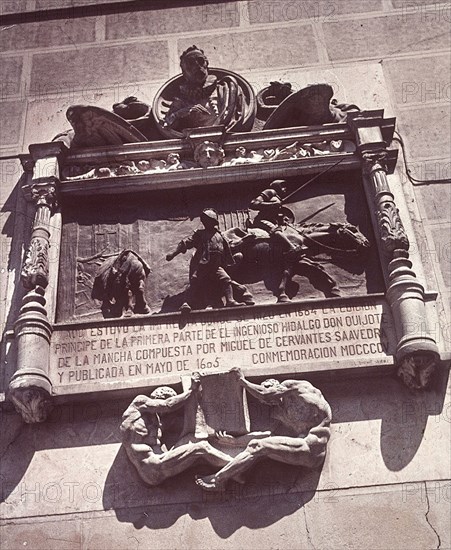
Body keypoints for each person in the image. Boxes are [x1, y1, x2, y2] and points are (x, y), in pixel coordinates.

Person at [195, 369, 332, 491]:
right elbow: (269, 435)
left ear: (278, 386)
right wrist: (235, 442)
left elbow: (265, 394)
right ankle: (236, 471)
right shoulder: (281, 412)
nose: (269, 403)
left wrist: (241, 380)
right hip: (300, 447)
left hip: (312, 450)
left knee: (258, 446)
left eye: (267, 388)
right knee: (258, 446)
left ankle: (217, 480)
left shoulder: (300, 388)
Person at [120, 374, 233, 486]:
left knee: (192, 439)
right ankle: (235, 466)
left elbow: (186, 425)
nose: (164, 414)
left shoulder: (157, 422)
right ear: (155, 400)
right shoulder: (137, 405)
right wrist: (191, 390)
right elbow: (167, 405)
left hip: (161, 461)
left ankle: (230, 468)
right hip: (153, 467)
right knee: (201, 447)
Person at [166, 208, 250, 312]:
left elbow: (229, 246)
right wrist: (173, 253)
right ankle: (186, 303)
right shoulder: (200, 234)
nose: (206, 223)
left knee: (226, 280)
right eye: (205, 221)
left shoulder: (220, 235)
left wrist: (243, 241)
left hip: (216, 266)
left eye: (209, 220)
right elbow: (186, 243)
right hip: (203, 265)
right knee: (194, 281)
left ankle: (230, 300)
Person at [249, 180, 305, 260]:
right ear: (277, 186)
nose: (285, 188)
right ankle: (291, 248)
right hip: (262, 220)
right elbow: (253, 204)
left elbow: (274, 214)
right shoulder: (270, 192)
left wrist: (282, 218)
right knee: (276, 231)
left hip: (273, 222)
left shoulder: (277, 198)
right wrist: (272, 204)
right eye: (283, 186)